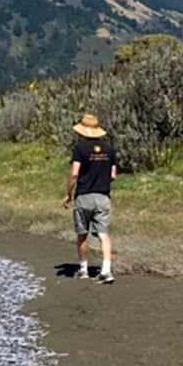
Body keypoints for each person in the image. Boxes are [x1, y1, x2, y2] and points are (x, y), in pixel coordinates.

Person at [63, 113, 117, 283]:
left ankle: (83, 268)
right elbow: (113, 175)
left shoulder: (80, 149)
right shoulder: (109, 149)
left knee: (82, 233)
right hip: (103, 195)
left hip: (84, 195)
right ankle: (106, 270)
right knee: (103, 233)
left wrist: (68, 193)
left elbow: (74, 173)